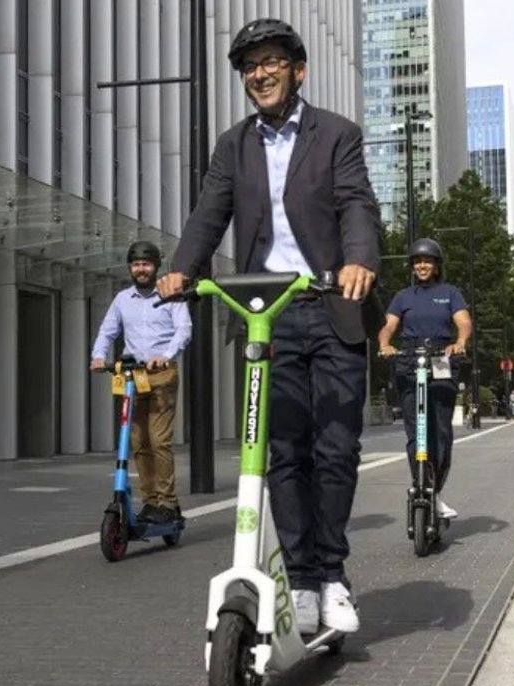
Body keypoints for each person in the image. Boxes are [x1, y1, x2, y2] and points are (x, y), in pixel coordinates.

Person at [157, 18, 381, 635]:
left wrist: (359, 260)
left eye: (271, 62)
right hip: (269, 313)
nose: (260, 74)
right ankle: (301, 582)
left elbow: (356, 203)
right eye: (250, 66)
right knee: (283, 451)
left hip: (331, 303)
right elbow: (209, 214)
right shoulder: (232, 147)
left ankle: (332, 575)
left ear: (297, 70)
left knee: (336, 448)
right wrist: (181, 271)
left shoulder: (336, 134)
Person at [91, 241, 193, 523]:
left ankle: (167, 503)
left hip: (161, 373)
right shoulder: (122, 299)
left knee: (159, 440)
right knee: (137, 441)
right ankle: (150, 502)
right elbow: (107, 331)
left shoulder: (171, 295)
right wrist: (98, 356)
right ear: (130, 268)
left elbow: (183, 330)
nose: (141, 269)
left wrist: (166, 355)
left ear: (155, 267)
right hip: (133, 376)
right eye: (136, 265)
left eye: (146, 264)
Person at [377, 238, 471, 521]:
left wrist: (460, 342)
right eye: (417, 261)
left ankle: (435, 491)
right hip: (409, 358)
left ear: (436, 266)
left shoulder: (450, 293)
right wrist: (385, 344)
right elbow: (388, 325)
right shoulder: (403, 297)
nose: (422, 266)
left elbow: (463, 322)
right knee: (416, 431)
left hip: (441, 356)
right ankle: (420, 482)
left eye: (427, 261)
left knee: (440, 431)